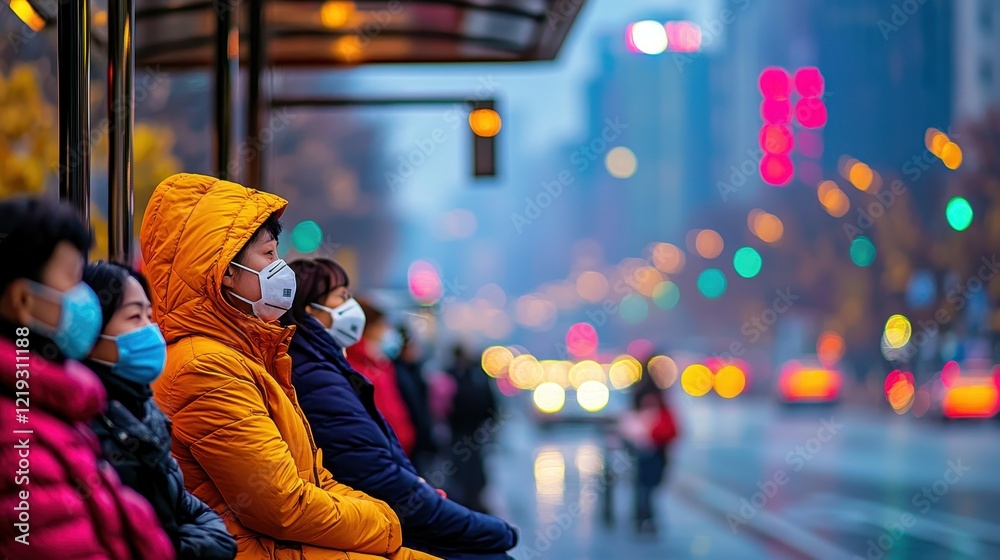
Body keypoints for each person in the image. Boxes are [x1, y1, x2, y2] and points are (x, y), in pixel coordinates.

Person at [139, 173, 437, 560]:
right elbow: (281, 507)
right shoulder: (207, 368)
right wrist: (386, 524)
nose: (281, 268)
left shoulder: (249, 355)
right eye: (268, 255)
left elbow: (316, 477)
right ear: (225, 270)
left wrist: (381, 519)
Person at [286, 258, 518, 560]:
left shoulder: (331, 368)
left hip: (389, 504)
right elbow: (378, 476)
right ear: (310, 309)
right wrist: (488, 528)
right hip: (381, 515)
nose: (349, 306)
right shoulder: (321, 375)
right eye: (341, 296)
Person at [0, 197, 174, 560]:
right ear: (22, 300)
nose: (86, 299)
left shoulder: (56, 403)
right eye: (72, 279)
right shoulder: (18, 428)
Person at [82, 261, 237, 559]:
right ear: (91, 330)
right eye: (133, 316)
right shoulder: (89, 422)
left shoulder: (143, 409)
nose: (149, 330)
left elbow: (195, 514)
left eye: (149, 315)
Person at [345, 299, 417, 456]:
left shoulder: (379, 362)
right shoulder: (357, 365)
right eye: (382, 325)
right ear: (369, 328)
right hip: (384, 451)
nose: (387, 330)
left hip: (397, 449)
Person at [618, 378, 678, 534]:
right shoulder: (639, 414)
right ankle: (644, 517)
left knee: (647, 488)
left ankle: (644, 517)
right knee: (643, 488)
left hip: (655, 456)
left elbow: (671, 432)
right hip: (644, 457)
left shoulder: (661, 413)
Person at [445, 344, 498, 514]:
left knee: (470, 466)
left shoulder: (461, 375)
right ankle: (467, 501)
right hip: (463, 429)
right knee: (466, 466)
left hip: (470, 429)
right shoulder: (463, 375)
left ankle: (469, 501)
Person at [393, 328, 438, 475]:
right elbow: (414, 409)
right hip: (407, 443)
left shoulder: (413, 370)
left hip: (413, 441)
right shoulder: (399, 372)